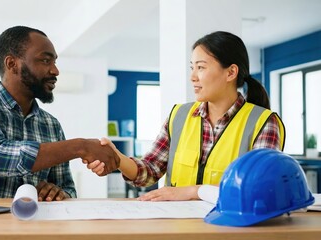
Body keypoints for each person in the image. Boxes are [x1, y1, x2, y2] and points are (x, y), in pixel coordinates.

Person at [87, 31, 285, 201]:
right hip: (179, 226)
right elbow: (149, 171)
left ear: (231, 72)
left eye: (201, 67)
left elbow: (259, 189)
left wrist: (192, 192)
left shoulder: (264, 122)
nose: (193, 77)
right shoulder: (179, 115)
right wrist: (118, 158)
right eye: (192, 67)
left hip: (231, 229)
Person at [0, 26, 120, 201]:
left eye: (54, 62)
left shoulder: (51, 125)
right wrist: (81, 146)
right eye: (45, 60)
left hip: (36, 226)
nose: (55, 70)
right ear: (12, 64)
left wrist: (59, 193)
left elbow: (68, 188)